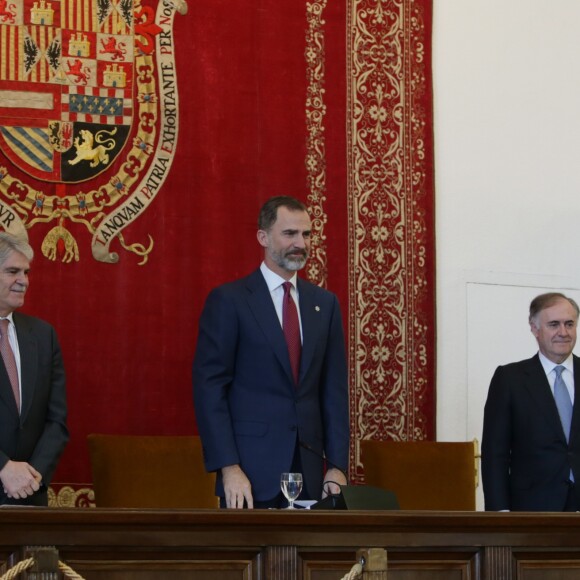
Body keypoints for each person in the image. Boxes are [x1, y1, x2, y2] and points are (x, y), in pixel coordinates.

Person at [193, 196, 349, 509]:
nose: (300, 243)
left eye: (306, 234)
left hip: (311, 475)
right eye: (289, 234)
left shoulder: (325, 304)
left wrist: (336, 466)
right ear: (263, 237)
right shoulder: (231, 300)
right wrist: (229, 468)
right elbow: (210, 389)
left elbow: (333, 391)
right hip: (248, 477)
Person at [482, 292, 580, 511]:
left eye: (569, 324)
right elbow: (495, 453)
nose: (563, 332)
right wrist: (500, 513)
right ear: (535, 329)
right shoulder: (509, 379)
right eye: (554, 324)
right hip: (532, 507)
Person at [0, 232, 68, 506]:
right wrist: (4, 467)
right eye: (13, 271)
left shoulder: (43, 335)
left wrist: (30, 477)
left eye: (26, 272)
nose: (24, 281)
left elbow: (57, 420)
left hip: (29, 495)